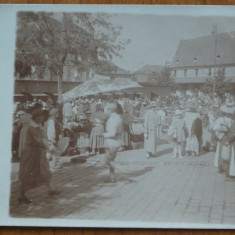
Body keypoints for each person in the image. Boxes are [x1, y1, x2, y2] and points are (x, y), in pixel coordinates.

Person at [18, 107, 59, 204]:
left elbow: (41, 139)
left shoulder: (36, 125)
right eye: (40, 116)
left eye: (42, 116)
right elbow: (39, 140)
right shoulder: (32, 127)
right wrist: (50, 148)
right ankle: (22, 195)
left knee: (45, 172)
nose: (42, 118)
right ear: (36, 117)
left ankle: (50, 189)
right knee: (27, 174)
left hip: (38, 154)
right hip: (30, 155)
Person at [103, 102, 123, 182]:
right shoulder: (118, 118)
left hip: (111, 143)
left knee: (108, 160)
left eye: (107, 109)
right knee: (111, 160)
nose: (106, 111)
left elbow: (112, 133)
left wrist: (102, 134)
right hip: (116, 142)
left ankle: (122, 170)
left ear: (110, 110)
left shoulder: (112, 119)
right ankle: (112, 178)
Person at [213, 104, 235, 176]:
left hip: (229, 138)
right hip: (222, 136)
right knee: (221, 152)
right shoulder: (220, 119)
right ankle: (221, 167)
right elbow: (215, 128)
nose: (228, 114)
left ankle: (228, 168)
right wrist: (221, 129)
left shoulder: (232, 119)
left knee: (229, 153)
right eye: (227, 112)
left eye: (230, 113)